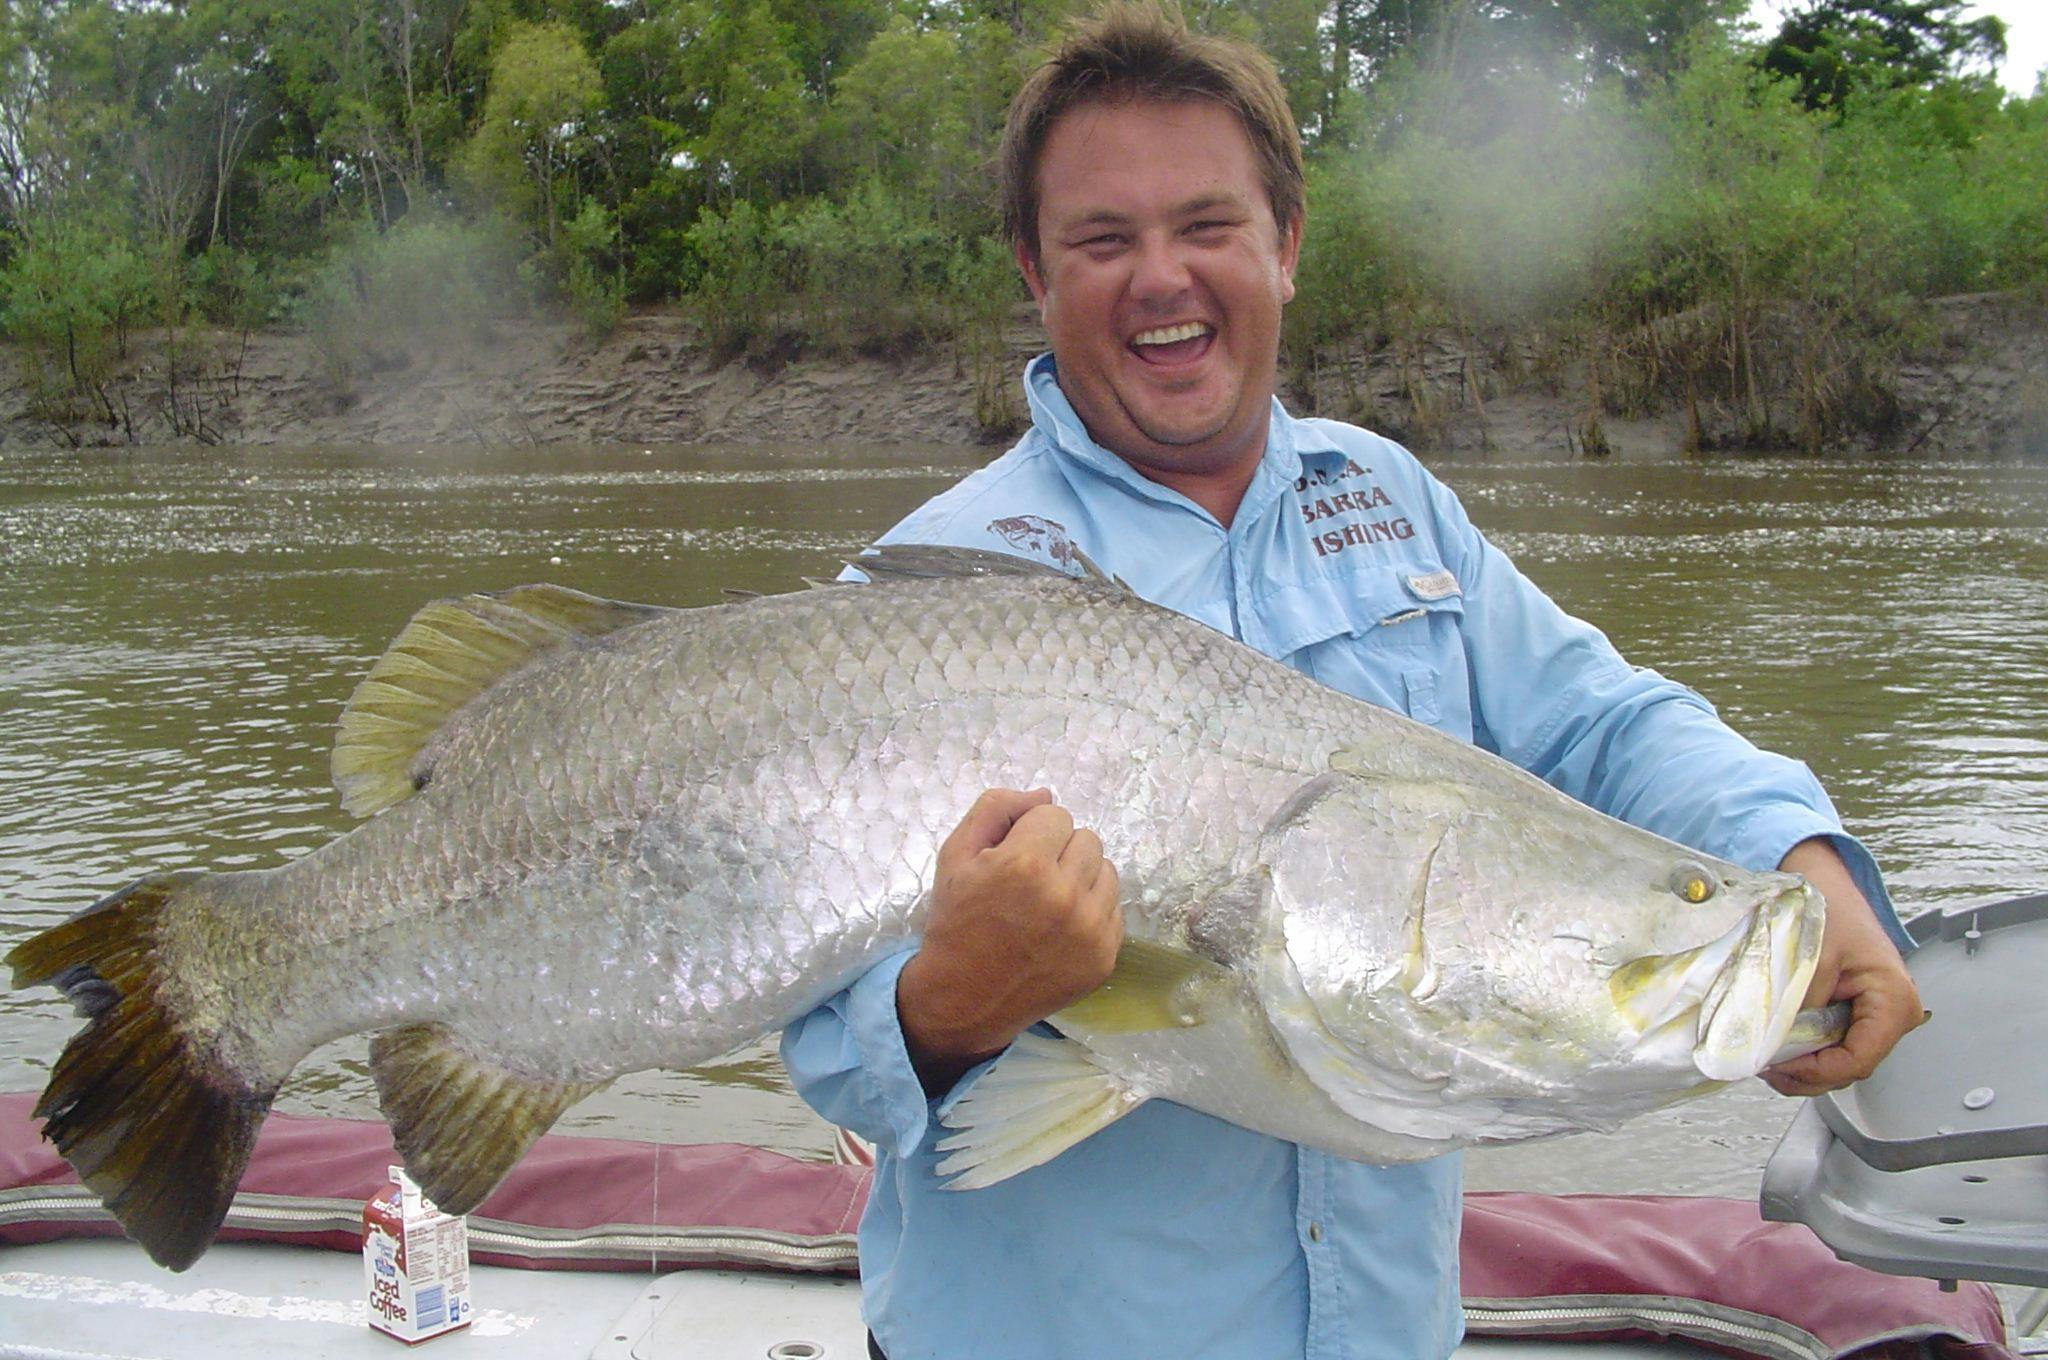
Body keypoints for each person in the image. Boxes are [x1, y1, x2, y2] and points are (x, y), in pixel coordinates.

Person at [780, 7, 1924, 1358]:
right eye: (1104, 240)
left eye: (1208, 224)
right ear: (1035, 270)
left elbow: (1603, 720)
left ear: (1287, 245)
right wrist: (940, 1011)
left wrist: (1795, 853)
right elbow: (801, 1029)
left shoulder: (1391, 503)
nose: (1163, 277)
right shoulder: (923, 596)